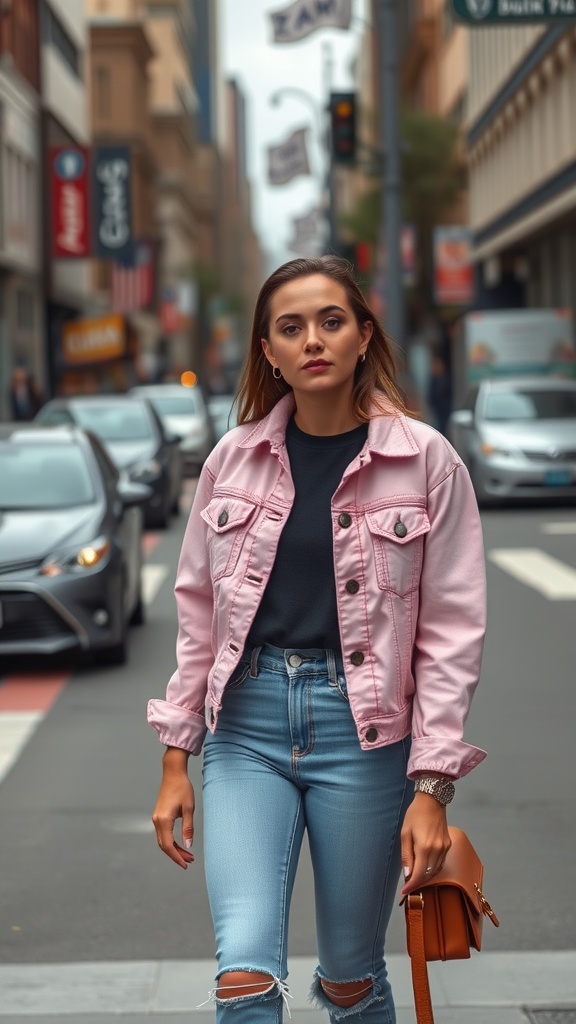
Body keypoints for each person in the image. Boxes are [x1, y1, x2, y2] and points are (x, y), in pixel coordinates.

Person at [148, 256, 487, 1023]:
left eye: (331, 321)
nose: (313, 341)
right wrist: (177, 756)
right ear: (268, 351)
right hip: (246, 728)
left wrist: (431, 786)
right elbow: (199, 612)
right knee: (243, 974)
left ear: (364, 335)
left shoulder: (426, 461)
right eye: (291, 327)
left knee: (350, 977)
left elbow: (452, 632)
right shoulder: (230, 461)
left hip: (366, 736)